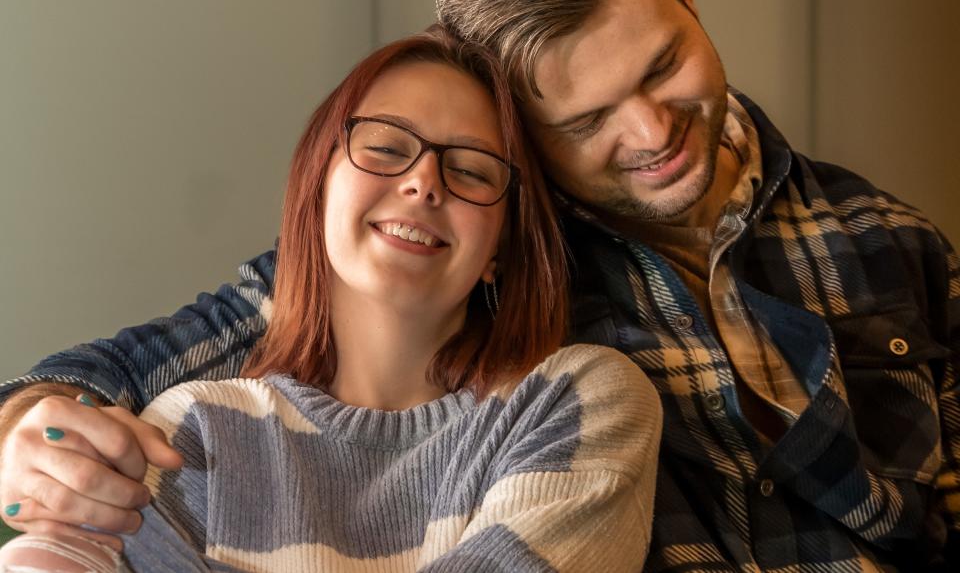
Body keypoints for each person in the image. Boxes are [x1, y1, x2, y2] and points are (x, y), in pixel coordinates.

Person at [1, 0, 957, 569]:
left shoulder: (895, 240)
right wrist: (23, 434)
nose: (652, 131)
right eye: (583, 123)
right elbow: (116, 373)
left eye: (663, 66)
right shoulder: (482, 243)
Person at [0, 28, 660, 572]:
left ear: (500, 249)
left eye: (469, 170)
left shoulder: (576, 404)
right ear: (316, 193)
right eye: (384, 148)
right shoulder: (196, 431)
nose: (424, 183)